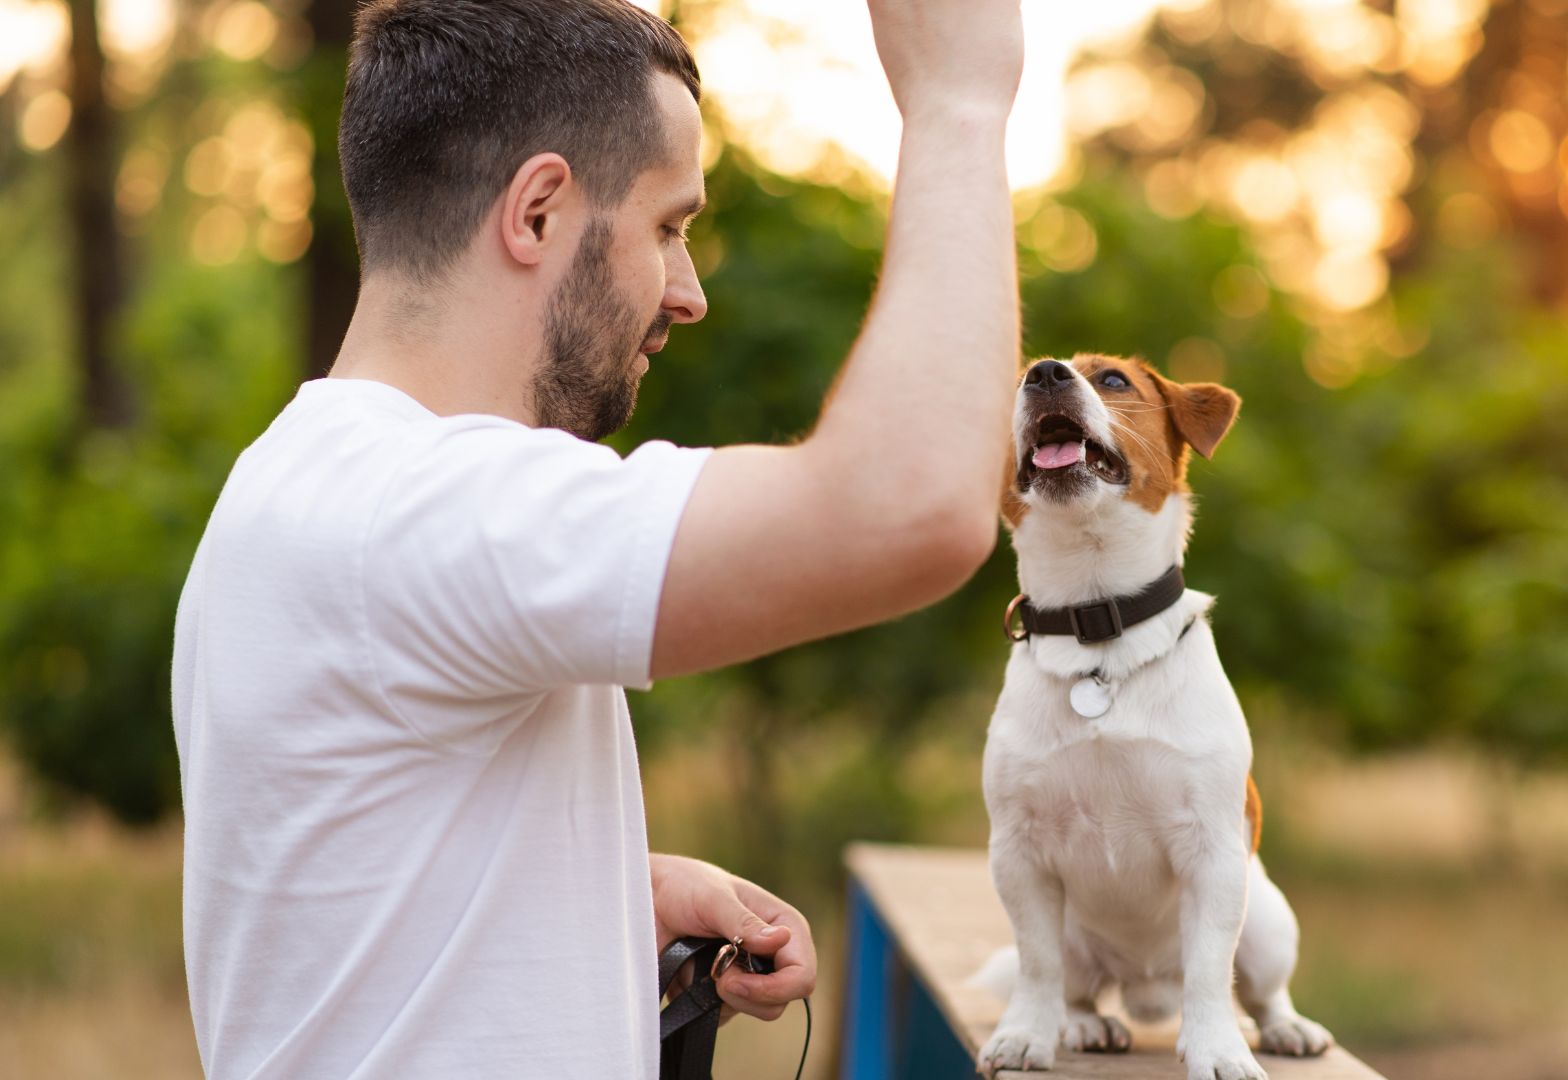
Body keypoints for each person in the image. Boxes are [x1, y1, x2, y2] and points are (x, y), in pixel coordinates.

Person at [168, 0, 1023, 1075]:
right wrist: (960, 102)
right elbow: (914, 510)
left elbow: (339, 881)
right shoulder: (429, 505)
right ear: (536, 214)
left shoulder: (296, 481)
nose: (689, 291)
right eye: (669, 226)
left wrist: (606, 888)